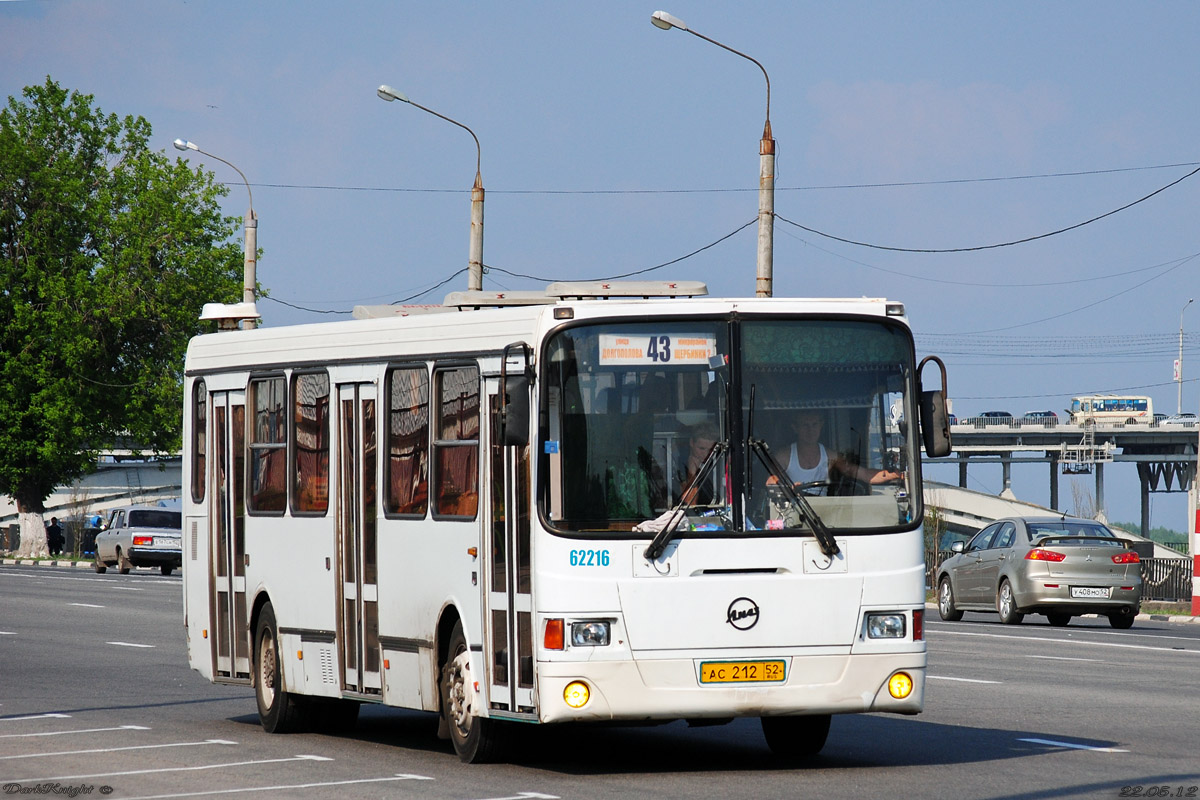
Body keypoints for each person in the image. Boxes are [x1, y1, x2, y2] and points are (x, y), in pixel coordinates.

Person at [772, 409, 901, 494]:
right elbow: (770, 482)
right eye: (805, 425)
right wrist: (789, 487)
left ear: (821, 425)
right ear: (795, 428)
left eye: (814, 424)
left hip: (821, 516)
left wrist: (897, 475)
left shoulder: (831, 457)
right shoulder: (784, 456)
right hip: (790, 516)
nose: (810, 430)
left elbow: (865, 474)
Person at [676, 421, 720, 506]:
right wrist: (691, 474)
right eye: (701, 448)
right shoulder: (680, 466)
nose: (706, 454)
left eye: (711, 450)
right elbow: (690, 504)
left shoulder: (719, 464)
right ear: (691, 443)